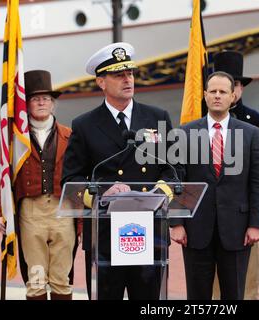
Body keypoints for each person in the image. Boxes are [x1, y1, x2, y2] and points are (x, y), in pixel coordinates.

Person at [61, 42, 174, 300]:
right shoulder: (85, 125)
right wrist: (101, 194)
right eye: (118, 75)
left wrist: (158, 194)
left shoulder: (158, 117)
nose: (127, 80)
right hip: (105, 235)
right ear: (101, 82)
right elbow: (70, 179)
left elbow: (174, 169)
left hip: (149, 230)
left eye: (130, 73)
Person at [171, 71, 259, 300]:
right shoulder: (185, 132)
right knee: (197, 296)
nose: (217, 96)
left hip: (237, 230)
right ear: (204, 95)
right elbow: (177, 180)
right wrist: (176, 222)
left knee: (234, 295)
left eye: (223, 92)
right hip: (195, 231)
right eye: (212, 91)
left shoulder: (250, 133)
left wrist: (256, 224)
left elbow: (257, 182)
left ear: (233, 96)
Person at [0, 70, 77, 300]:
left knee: (62, 280)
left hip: (64, 211)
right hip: (30, 213)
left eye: (46, 98)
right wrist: (3, 214)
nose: (42, 102)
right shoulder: (15, 141)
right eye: (35, 98)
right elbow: (5, 178)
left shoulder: (70, 136)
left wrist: (81, 220)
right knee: (36, 279)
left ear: (53, 104)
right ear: (26, 105)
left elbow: (78, 177)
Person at [212, 50, 259, 299]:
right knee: (212, 283)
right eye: (223, 82)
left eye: (236, 83)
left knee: (247, 280)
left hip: (242, 212)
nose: (230, 88)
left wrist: (257, 171)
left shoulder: (255, 121)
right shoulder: (199, 120)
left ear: (239, 88)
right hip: (209, 213)